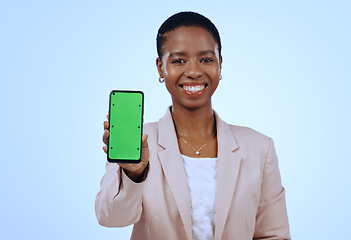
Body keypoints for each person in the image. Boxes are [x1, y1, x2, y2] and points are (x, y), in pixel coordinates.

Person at [96, 11, 291, 240]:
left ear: (220, 64)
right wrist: (134, 174)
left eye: (206, 59)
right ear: (160, 68)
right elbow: (111, 219)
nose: (193, 72)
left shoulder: (259, 147)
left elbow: (273, 235)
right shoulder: (140, 142)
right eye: (178, 60)